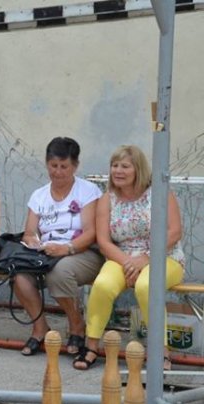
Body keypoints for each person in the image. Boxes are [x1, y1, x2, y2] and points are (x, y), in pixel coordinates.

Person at [73, 145, 184, 370]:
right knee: (102, 285)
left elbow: (174, 232)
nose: (118, 171)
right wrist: (129, 263)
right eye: (115, 166)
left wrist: (146, 259)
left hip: (164, 256)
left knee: (146, 286)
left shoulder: (161, 193)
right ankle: (92, 345)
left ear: (138, 170)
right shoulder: (107, 199)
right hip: (122, 257)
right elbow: (104, 242)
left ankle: (160, 351)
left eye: (125, 166)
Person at [15, 137, 104, 357]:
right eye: (53, 166)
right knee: (19, 275)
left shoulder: (87, 191)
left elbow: (92, 233)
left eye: (64, 167)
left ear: (75, 166)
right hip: (47, 253)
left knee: (59, 272)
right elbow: (29, 231)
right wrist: (33, 241)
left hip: (83, 252)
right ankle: (40, 328)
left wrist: (67, 249)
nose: (58, 172)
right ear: (46, 164)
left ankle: (76, 325)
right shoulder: (39, 195)